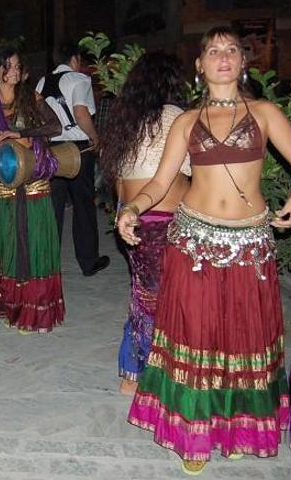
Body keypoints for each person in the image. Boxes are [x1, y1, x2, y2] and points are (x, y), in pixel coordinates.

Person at [116, 26, 291, 474]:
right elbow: (160, 182)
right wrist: (131, 208)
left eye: (231, 50)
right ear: (199, 65)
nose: (223, 57)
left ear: (242, 62)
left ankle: (238, 426)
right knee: (197, 335)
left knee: (243, 336)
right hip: (193, 241)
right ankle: (194, 434)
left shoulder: (265, 113)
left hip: (249, 242)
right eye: (213, 51)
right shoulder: (186, 122)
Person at [98, 52, 191, 395]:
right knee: (167, 299)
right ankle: (154, 374)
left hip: (132, 215)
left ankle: (132, 374)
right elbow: (193, 172)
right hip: (164, 218)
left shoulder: (127, 119)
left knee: (143, 293)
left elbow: (120, 179)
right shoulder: (176, 117)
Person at [0, 48, 65, 333]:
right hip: (5, 182)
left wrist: (21, 133)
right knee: (9, 244)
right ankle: (11, 306)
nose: (14, 70)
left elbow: (56, 126)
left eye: (17, 65)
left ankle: (35, 308)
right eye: (8, 66)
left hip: (34, 178)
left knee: (35, 242)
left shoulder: (31, 98)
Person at [36, 42, 109, 277]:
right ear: (75, 59)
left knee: (53, 206)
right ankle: (88, 262)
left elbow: (38, 117)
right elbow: (81, 113)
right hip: (79, 149)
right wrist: (95, 137)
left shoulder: (42, 82)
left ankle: (48, 264)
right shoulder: (80, 79)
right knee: (83, 204)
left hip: (53, 148)